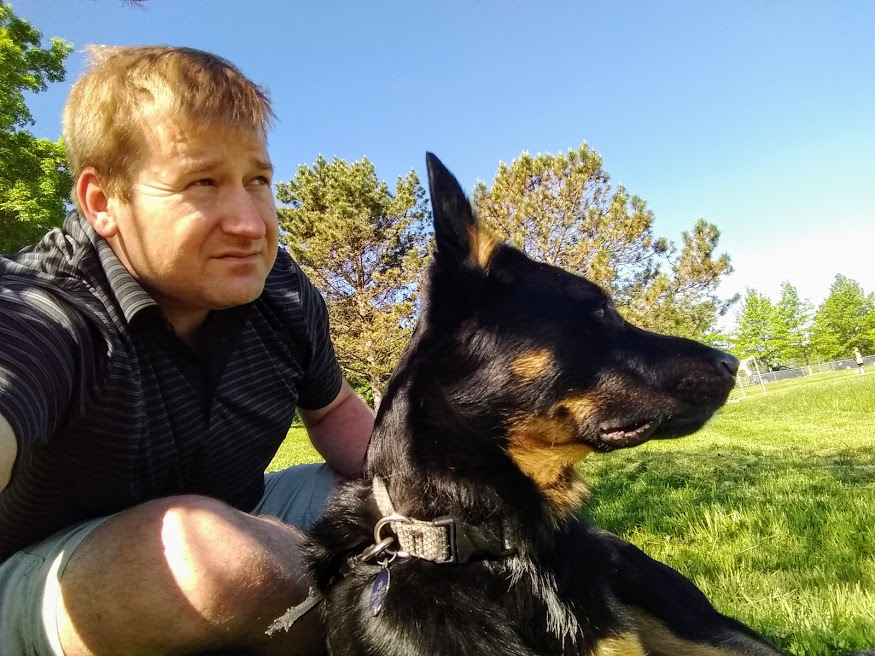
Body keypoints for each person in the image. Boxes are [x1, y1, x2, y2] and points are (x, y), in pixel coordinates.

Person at [0, 46, 374, 655]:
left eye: (258, 180)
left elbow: (332, 413)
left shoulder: (280, 289)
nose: (252, 223)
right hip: (49, 570)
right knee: (217, 563)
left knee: (415, 506)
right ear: (101, 202)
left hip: (249, 509)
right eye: (202, 182)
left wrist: (449, 487)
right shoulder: (46, 307)